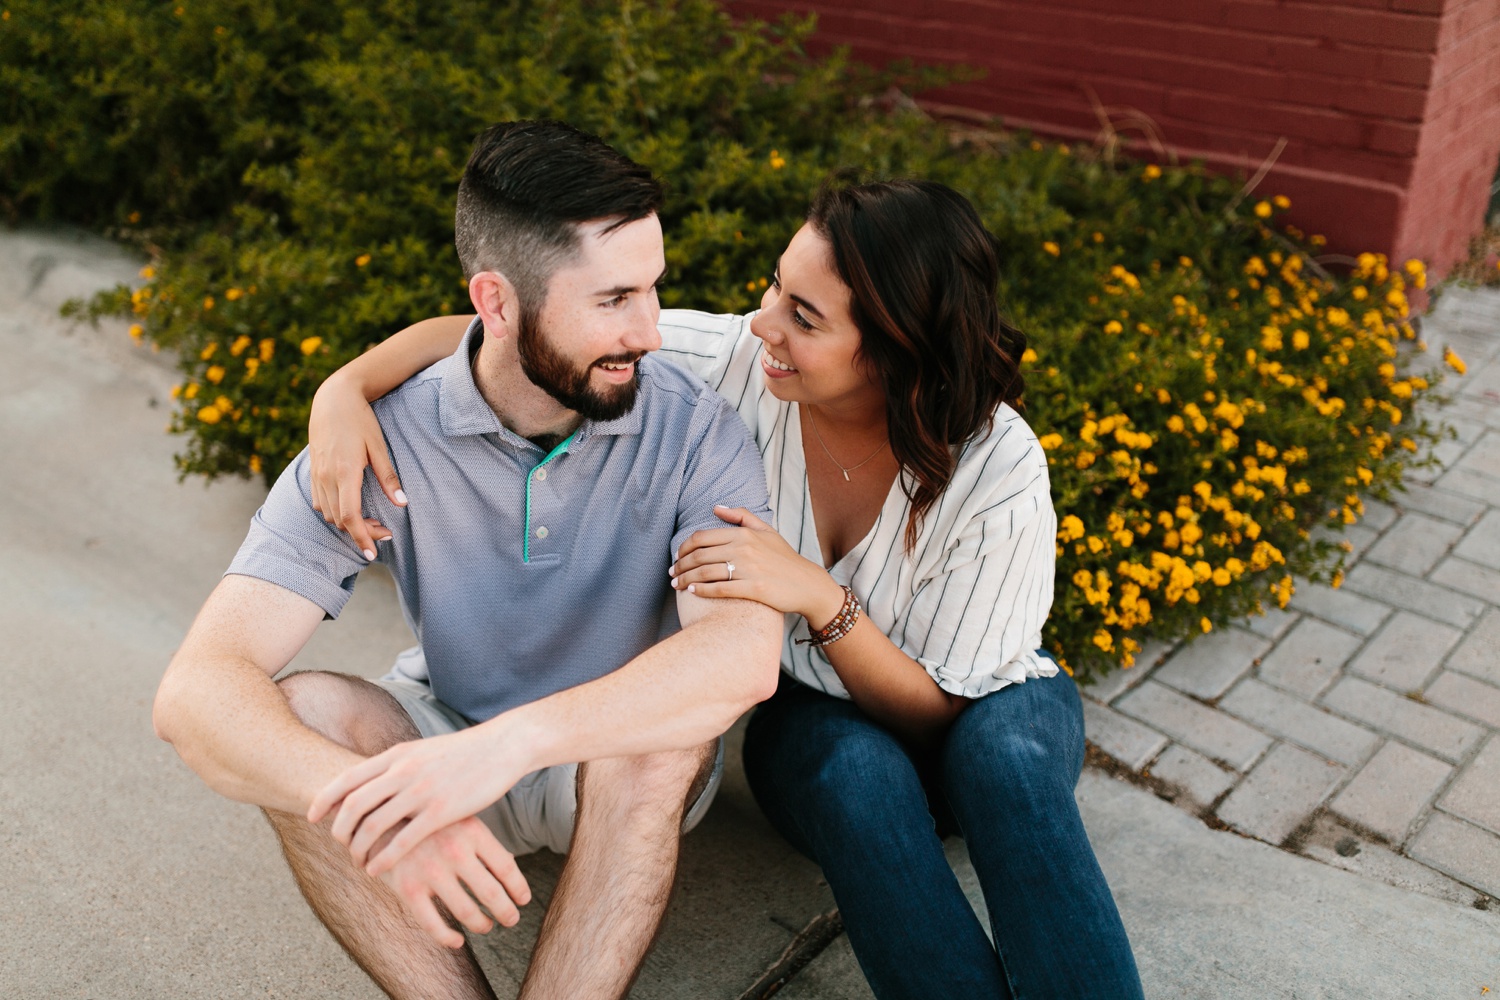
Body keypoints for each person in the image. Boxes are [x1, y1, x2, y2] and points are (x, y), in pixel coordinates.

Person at [309, 179, 1144, 999]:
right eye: (777, 286)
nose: (763, 322)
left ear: (894, 349)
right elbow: (522, 330)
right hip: (816, 722)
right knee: (852, 776)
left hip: (977, 712)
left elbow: (942, 723)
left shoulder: (998, 465)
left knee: (1007, 762)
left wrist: (818, 597)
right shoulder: (736, 363)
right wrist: (343, 388)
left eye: (803, 317)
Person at [152, 119, 783, 1000]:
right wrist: (373, 808)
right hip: (443, 724)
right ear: (494, 302)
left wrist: (514, 743)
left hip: (607, 761)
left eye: (652, 290)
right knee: (303, 712)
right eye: (612, 301)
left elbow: (740, 658)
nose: (648, 331)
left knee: (661, 739)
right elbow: (196, 694)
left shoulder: (693, 427)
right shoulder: (379, 438)